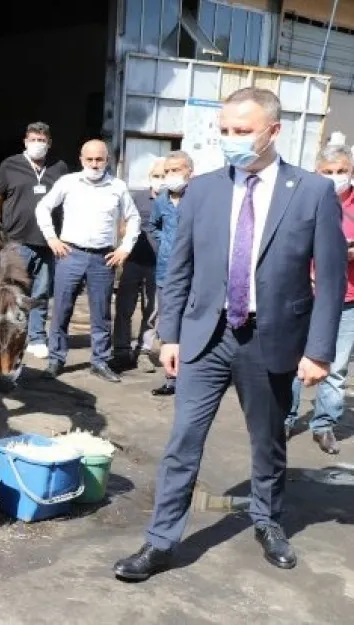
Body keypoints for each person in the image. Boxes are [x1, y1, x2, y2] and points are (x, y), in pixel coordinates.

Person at [113, 87, 346, 581]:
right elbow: (180, 268)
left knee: (267, 441)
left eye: (243, 131)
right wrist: (168, 334)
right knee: (183, 441)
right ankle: (160, 541)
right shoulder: (204, 188)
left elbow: (329, 280)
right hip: (205, 336)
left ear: (273, 131)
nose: (231, 140)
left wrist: (320, 351)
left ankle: (267, 520)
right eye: (225, 131)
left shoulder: (311, 192)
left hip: (271, 338)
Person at [34, 139, 140, 383]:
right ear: (81, 159)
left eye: (99, 159)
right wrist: (52, 239)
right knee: (61, 308)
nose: (94, 164)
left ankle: (100, 361)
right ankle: (56, 359)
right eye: (89, 159)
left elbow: (133, 219)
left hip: (103, 258)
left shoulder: (118, 187)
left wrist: (125, 248)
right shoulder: (68, 182)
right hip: (70, 254)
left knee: (101, 313)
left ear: (107, 160)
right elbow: (43, 208)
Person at [284, 144, 354, 455]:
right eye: (328, 172)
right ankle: (284, 418)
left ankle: (324, 424)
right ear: (317, 172)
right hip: (305, 295)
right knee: (293, 362)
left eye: (341, 171)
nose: (335, 177)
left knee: (335, 366)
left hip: (347, 299)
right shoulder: (304, 199)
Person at [0, 122, 70, 360]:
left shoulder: (59, 167)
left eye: (42, 140)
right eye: (33, 139)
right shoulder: (10, 165)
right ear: (25, 141)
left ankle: (36, 337)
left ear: (49, 143)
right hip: (15, 239)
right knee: (13, 291)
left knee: (41, 293)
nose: (38, 144)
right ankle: (12, 333)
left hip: (48, 242)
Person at [148, 151, 194, 396]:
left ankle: (192, 377)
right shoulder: (161, 200)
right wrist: (165, 244)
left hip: (195, 273)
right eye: (168, 171)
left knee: (193, 325)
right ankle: (171, 378)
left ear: (189, 171)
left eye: (176, 170)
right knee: (169, 324)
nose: (171, 175)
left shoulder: (198, 197)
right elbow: (153, 226)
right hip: (167, 272)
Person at [113, 158, 163, 372]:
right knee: (124, 307)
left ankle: (144, 350)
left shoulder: (175, 200)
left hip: (159, 265)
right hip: (133, 261)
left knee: (153, 310)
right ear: (150, 177)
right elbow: (124, 223)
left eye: (164, 176)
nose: (160, 180)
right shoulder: (139, 197)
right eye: (157, 176)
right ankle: (121, 350)